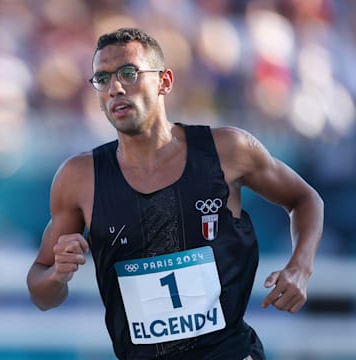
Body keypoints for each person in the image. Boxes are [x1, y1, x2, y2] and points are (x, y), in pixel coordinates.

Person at [26, 27, 324, 360]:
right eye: (102, 79)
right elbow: (41, 292)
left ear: (164, 81)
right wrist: (58, 274)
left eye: (129, 73)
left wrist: (301, 267)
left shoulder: (228, 150)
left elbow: (305, 199)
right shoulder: (79, 178)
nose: (116, 88)